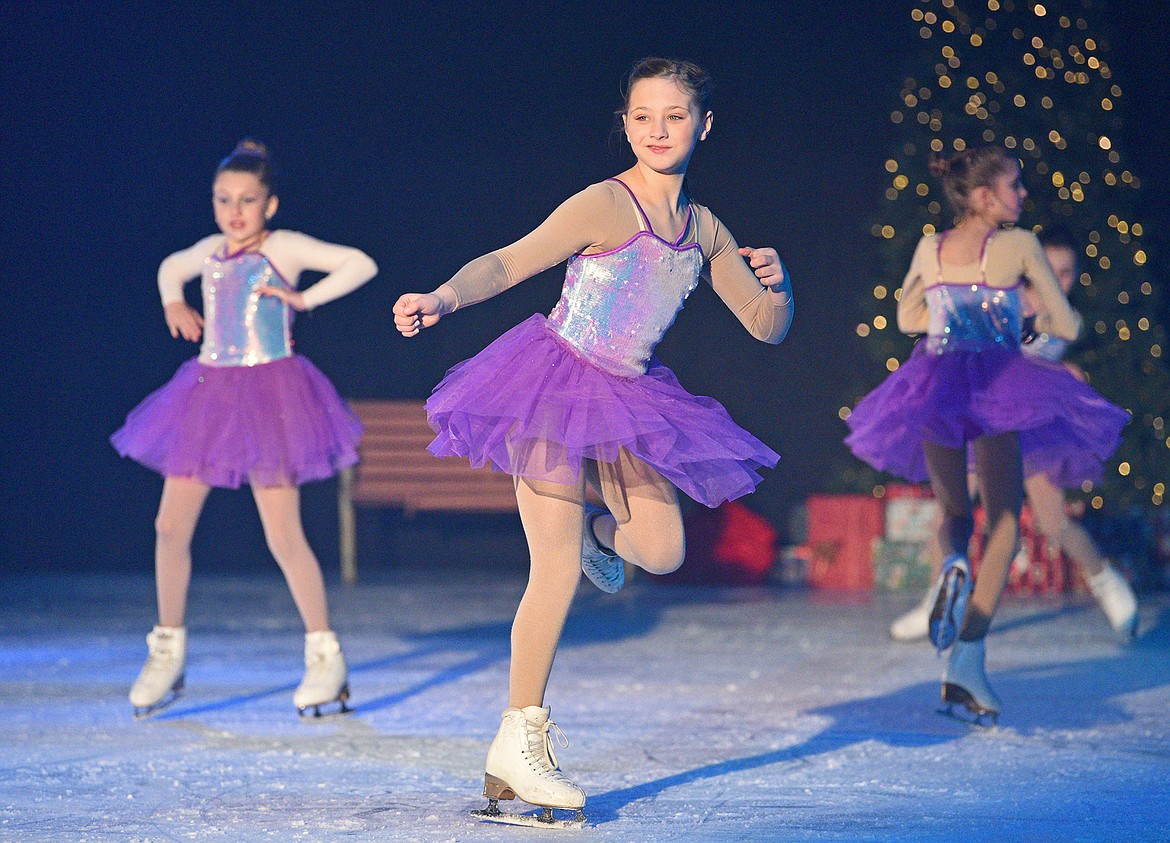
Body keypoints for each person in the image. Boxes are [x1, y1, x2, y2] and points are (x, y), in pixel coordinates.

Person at [393, 58, 793, 824]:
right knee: (551, 572)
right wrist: (444, 296)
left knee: (665, 549)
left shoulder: (706, 230)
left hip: (628, 397)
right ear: (626, 123)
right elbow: (512, 260)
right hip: (551, 382)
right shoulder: (607, 203)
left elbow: (765, 326)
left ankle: (593, 535)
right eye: (642, 116)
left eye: (674, 116)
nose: (657, 130)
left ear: (704, 124)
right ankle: (519, 739)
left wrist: (784, 287)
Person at [845, 146, 1128, 723]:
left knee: (953, 510)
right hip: (999, 382)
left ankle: (952, 564)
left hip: (936, 380)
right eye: (1014, 186)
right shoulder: (1019, 246)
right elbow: (1067, 322)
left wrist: (956, 317)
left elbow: (907, 319)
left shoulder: (930, 246)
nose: (1022, 196)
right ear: (983, 196)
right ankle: (968, 660)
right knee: (1004, 523)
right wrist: (1019, 319)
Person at [111, 140, 377, 719]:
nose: (235, 212)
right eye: (224, 199)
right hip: (207, 395)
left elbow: (361, 263)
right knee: (168, 525)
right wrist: (170, 302)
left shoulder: (283, 247)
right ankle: (167, 650)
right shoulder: (209, 250)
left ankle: (325, 656)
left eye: (248, 200)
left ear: (270, 204)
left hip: (269, 395)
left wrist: (303, 296)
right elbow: (169, 267)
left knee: (283, 535)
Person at [887, 226, 1137, 644]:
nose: (1059, 280)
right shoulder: (1007, 300)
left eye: (1068, 272)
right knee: (951, 511)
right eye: (1051, 269)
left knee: (1052, 520)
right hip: (982, 417)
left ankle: (1106, 582)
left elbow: (1037, 366)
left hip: (1033, 431)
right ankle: (938, 600)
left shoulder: (1062, 318)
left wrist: (1063, 376)